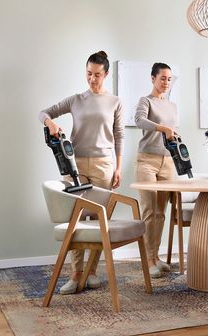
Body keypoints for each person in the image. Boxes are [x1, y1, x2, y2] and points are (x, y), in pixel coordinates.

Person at [39, 51, 124, 295]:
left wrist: (118, 167)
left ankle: (92, 272)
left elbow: (119, 135)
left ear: (106, 74)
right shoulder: (76, 100)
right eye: (88, 73)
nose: (92, 79)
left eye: (97, 74)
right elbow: (43, 113)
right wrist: (50, 123)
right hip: (74, 165)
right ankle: (76, 274)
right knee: (74, 218)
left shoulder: (115, 101)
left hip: (103, 166)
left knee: (99, 220)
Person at [134, 62, 178, 278]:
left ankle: (155, 256)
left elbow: (173, 133)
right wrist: (162, 128)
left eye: (169, 79)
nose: (166, 82)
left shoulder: (172, 106)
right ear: (153, 78)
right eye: (162, 78)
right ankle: (148, 260)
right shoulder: (146, 101)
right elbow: (139, 120)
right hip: (147, 160)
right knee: (149, 211)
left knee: (161, 213)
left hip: (168, 161)